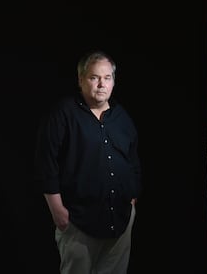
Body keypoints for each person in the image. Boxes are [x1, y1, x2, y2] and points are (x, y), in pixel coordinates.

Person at [34, 50, 142, 274]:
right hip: (78, 221)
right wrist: (57, 210)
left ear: (113, 82)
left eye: (107, 78)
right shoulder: (64, 113)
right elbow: (46, 162)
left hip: (120, 218)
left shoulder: (121, 117)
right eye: (94, 77)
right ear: (81, 80)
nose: (101, 84)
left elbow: (132, 160)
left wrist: (132, 197)